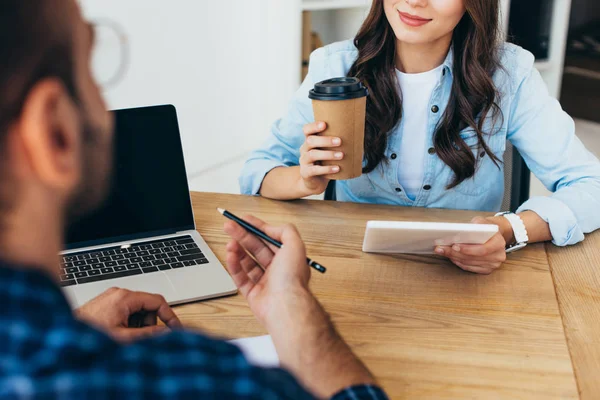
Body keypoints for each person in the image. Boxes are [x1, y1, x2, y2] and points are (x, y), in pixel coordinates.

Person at [0, 1, 389, 399]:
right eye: (92, 59)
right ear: (54, 132)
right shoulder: (193, 379)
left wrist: (77, 324)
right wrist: (292, 304)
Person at [240, 0, 600, 275]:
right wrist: (303, 178)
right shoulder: (335, 66)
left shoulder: (510, 74)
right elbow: (257, 172)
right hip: (353, 269)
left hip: (464, 277)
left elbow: (590, 185)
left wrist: (508, 230)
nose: (414, 1)